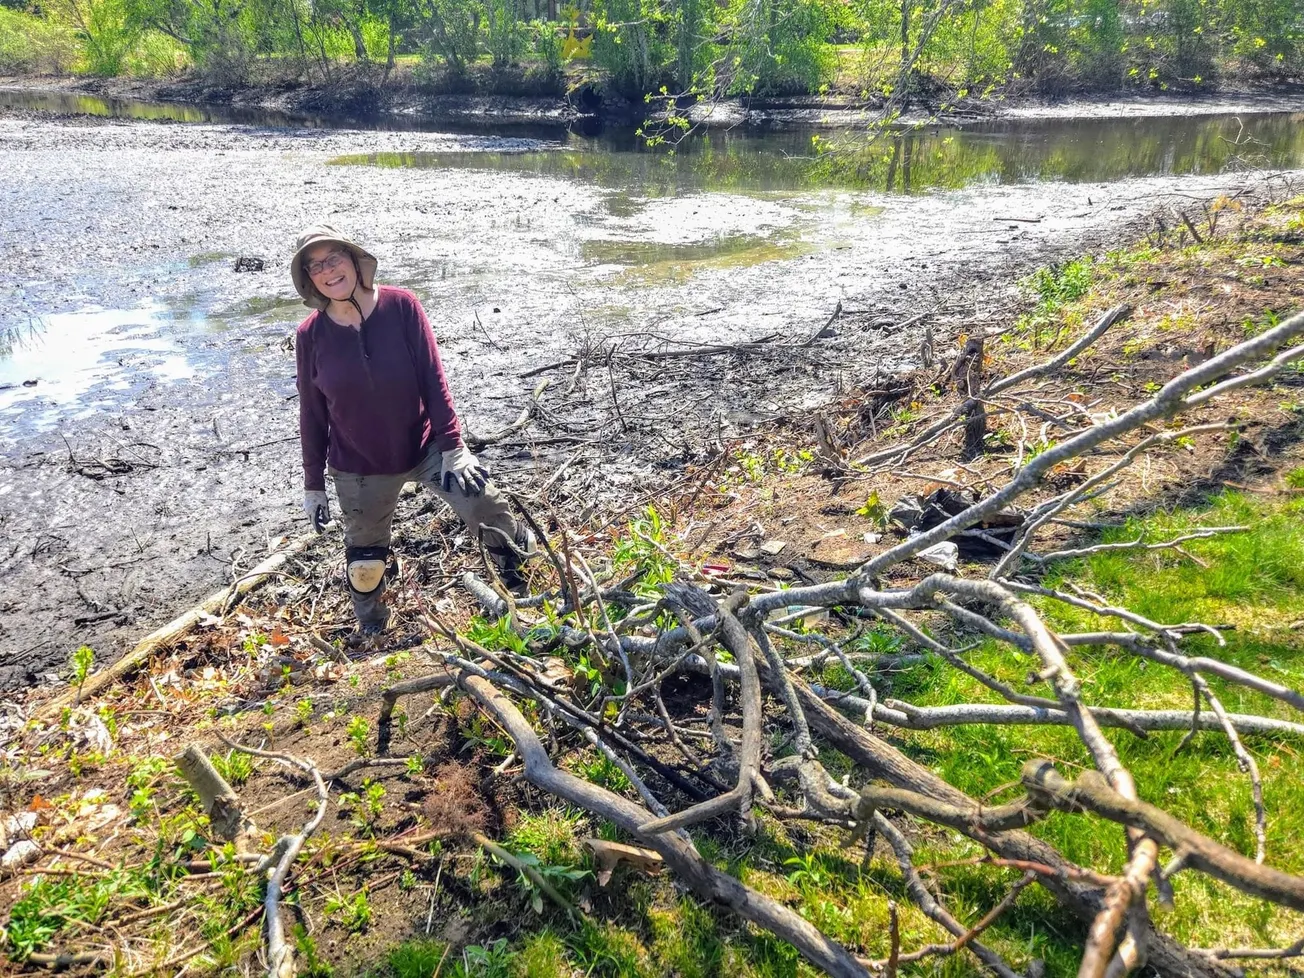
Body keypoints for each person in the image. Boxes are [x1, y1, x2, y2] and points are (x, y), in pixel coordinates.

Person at [290, 225, 534, 633]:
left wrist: (454, 448)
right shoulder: (310, 336)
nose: (328, 271)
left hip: (425, 448)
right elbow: (312, 413)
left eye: (334, 258)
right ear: (308, 279)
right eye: (316, 266)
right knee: (365, 562)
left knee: (486, 507)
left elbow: (432, 379)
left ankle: (522, 588)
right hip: (359, 465)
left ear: (355, 260)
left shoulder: (402, 306)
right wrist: (313, 484)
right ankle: (373, 632)